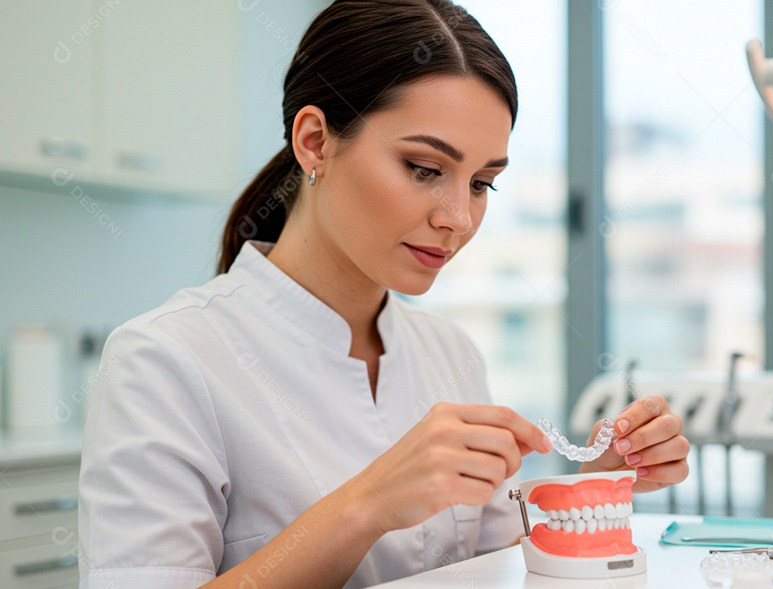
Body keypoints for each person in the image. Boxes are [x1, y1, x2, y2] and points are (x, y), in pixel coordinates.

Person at [77, 1, 691, 587]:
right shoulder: (163, 360)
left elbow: (495, 568)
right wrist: (369, 503)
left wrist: (589, 492)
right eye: (425, 169)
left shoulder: (449, 352)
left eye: (482, 183)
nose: (458, 218)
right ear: (315, 141)